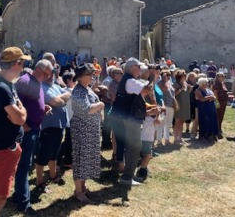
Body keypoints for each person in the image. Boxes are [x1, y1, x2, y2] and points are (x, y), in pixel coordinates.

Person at [0, 47, 29, 217]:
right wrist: (21, 114)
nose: (24, 65)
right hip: (4, 149)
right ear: (17, 63)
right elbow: (19, 119)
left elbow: (20, 113)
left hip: (8, 147)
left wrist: (21, 113)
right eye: (23, 62)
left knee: (0, 193)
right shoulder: (1, 87)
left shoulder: (8, 84)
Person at [12, 59, 53, 214]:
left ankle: (18, 195)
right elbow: (15, 106)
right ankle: (24, 203)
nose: (49, 77)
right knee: (24, 166)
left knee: (25, 165)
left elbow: (31, 103)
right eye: (47, 74)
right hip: (27, 131)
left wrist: (42, 108)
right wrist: (25, 126)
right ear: (40, 70)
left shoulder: (36, 81)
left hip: (34, 129)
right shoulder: (25, 81)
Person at [112, 57, 155, 186]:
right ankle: (127, 177)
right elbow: (147, 90)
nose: (140, 69)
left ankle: (127, 175)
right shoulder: (130, 80)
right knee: (134, 146)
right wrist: (152, 77)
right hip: (129, 119)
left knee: (133, 146)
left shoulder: (129, 80)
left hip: (126, 117)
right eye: (138, 67)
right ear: (132, 68)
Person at [70, 63, 105, 203]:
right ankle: (78, 192)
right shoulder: (78, 91)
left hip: (89, 131)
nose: (92, 77)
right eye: (89, 74)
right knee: (80, 160)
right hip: (82, 131)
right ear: (81, 77)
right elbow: (87, 109)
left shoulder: (86, 89)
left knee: (86, 160)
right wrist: (101, 105)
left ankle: (83, 187)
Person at [35, 69, 71, 191]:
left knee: (54, 154)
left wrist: (60, 98)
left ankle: (53, 175)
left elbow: (69, 95)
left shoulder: (55, 86)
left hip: (59, 125)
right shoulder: (41, 88)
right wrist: (61, 99)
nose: (50, 76)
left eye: (52, 74)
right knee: (43, 155)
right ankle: (39, 182)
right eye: (47, 74)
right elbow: (56, 102)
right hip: (48, 126)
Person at [194, 77, 219, 142]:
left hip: (211, 107)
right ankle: (204, 136)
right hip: (203, 108)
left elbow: (214, 96)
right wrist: (209, 97)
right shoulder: (198, 90)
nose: (208, 84)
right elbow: (201, 99)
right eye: (206, 83)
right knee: (205, 121)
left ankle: (213, 135)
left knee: (213, 120)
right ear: (202, 84)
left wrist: (213, 97)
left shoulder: (208, 89)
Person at [173, 69, 191, 143]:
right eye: (184, 76)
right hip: (178, 105)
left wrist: (189, 89)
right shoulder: (176, 84)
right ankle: (175, 138)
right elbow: (173, 94)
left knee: (182, 122)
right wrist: (181, 89)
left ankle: (180, 138)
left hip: (185, 105)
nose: (185, 77)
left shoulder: (186, 83)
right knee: (177, 122)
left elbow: (187, 93)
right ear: (180, 77)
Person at [158, 70, 176, 145]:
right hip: (164, 105)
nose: (168, 76)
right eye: (166, 75)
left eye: (169, 75)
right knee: (162, 123)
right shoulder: (160, 83)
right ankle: (159, 140)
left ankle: (166, 139)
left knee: (168, 124)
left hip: (171, 105)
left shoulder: (170, 83)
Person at [212, 72, 229, 138]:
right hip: (219, 102)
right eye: (221, 76)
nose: (222, 77)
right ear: (217, 77)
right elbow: (215, 94)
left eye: (223, 76)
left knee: (221, 116)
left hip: (224, 102)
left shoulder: (222, 83)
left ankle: (219, 128)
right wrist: (217, 103)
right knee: (218, 116)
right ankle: (217, 130)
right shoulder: (216, 84)